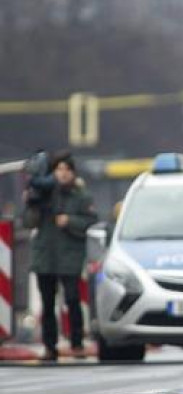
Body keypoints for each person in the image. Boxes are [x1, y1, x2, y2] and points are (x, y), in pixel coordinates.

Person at [24, 151, 97, 361]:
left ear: (73, 173)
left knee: (73, 300)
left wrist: (70, 221)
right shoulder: (42, 193)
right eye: (59, 169)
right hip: (45, 256)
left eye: (67, 170)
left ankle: (76, 342)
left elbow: (90, 222)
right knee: (48, 303)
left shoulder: (81, 195)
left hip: (69, 256)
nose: (62, 174)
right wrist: (31, 203)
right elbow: (29, 222)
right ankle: (50, 346)